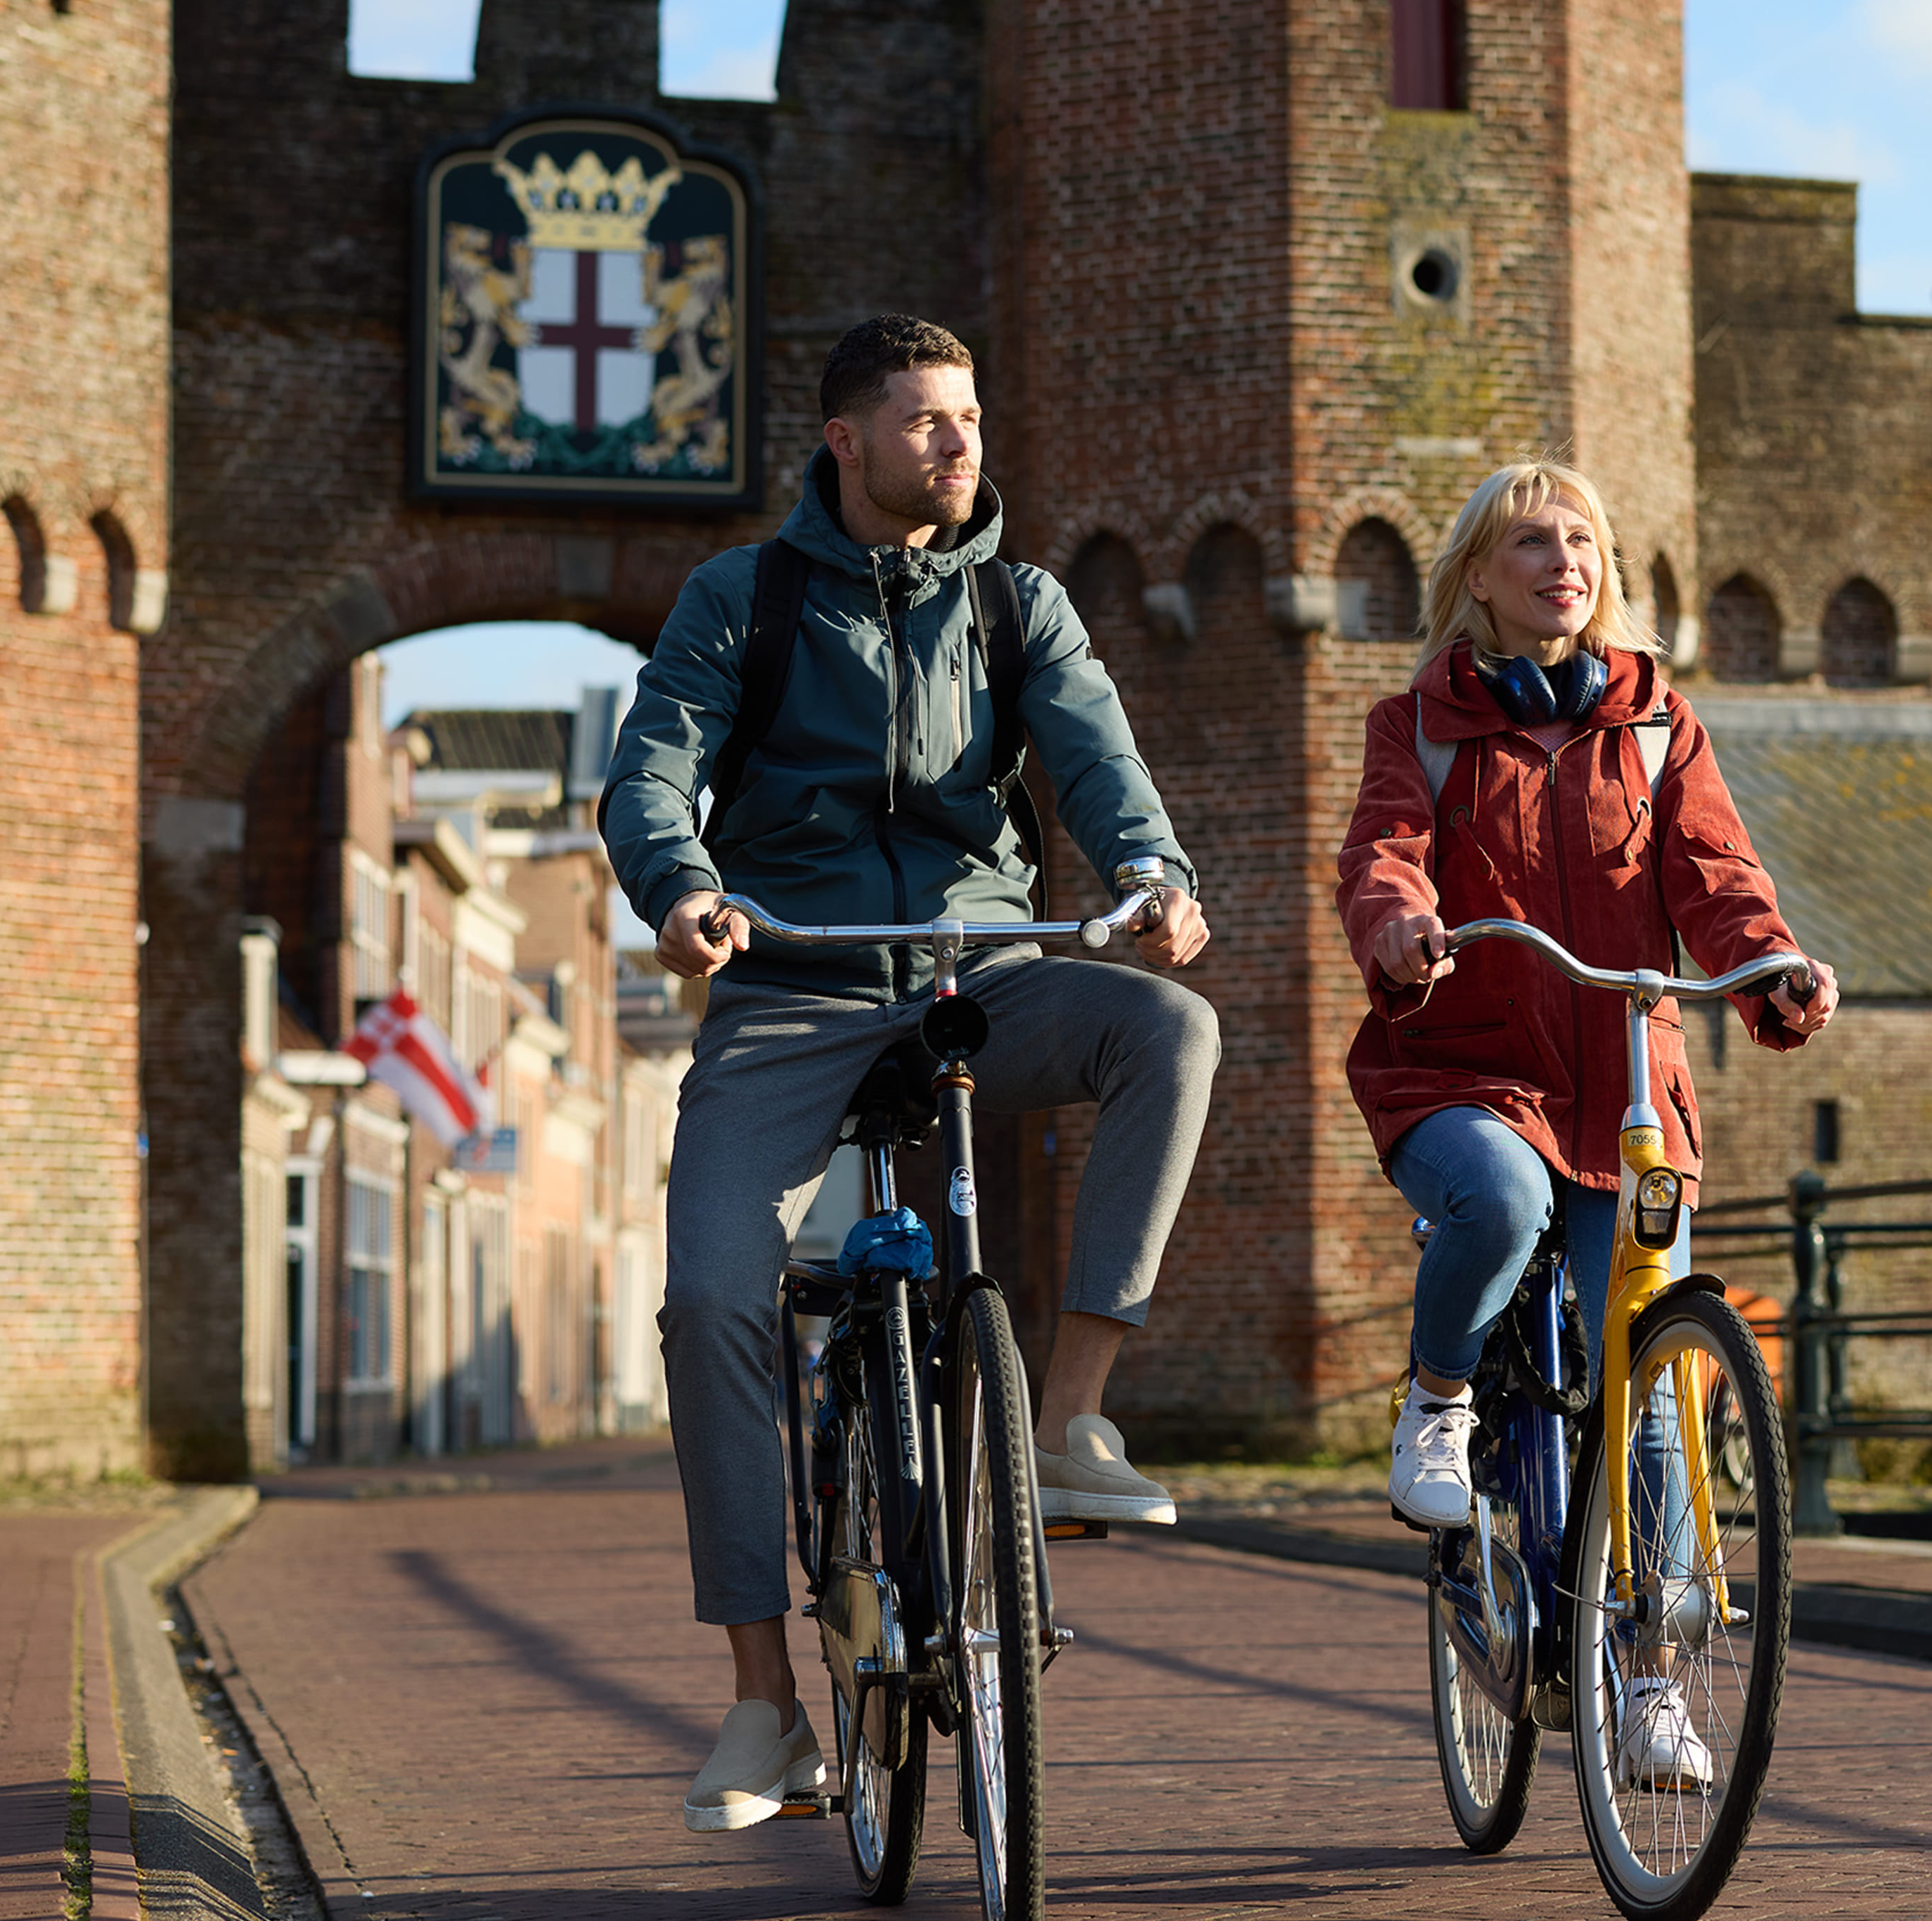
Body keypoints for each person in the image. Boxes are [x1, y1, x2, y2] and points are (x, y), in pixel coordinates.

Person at [601, 313, 1220, 1833]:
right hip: (793, 987)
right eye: (928, 422)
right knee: (720, 1299)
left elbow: (1099, 768)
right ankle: (765, 1704)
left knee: (1168, 1032)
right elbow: (655, 764)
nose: (961, 445)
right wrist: (681, 884)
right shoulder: (740, 599)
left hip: (974, 981)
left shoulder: (1021, 606)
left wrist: (1149, 873)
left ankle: (1067, 1421)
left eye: (971, 420)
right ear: (848, 442)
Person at [1333, 460, 1838, 1787]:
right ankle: (1438, 1403)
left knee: (1654, 1380)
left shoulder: (1662, 725)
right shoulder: (1422, 728)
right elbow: (1384, 853)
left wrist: (1771, 964)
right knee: (1497, 1206)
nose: (1564, 561)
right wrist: (1400, 930)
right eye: (1531, 544)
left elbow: (1718, 878)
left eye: (1582, 541)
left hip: (1625, 1089)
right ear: (1477, 580)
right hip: (1463, 1071)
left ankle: (1655, 1682)